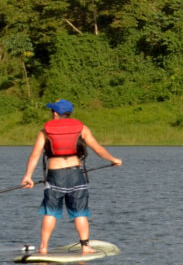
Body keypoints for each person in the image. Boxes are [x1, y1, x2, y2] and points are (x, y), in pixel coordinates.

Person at [21, 98, 122, 255]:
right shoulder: (82, 129)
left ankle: (44, 247)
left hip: (55, 175)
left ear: (55, 113)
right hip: (76, 174)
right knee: (80, 212)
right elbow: (98, 148)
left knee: (51, 212)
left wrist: (28, 176)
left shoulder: (45, 131)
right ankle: (85, 247)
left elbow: (35, 155)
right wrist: (113, 160)